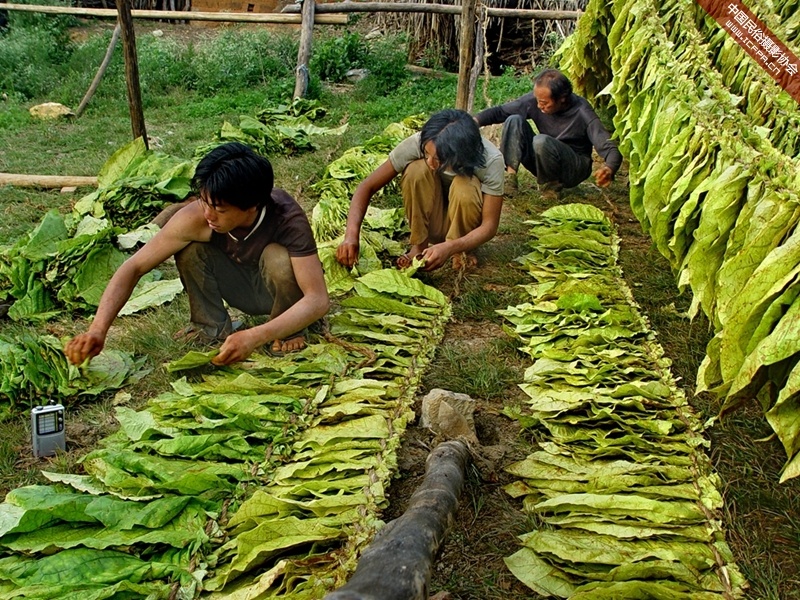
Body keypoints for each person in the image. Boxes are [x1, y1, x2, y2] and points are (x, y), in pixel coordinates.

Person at [65, 142, 329, 367]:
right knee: (190, 249)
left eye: (220, 210)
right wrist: (98, 330)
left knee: (278, 258)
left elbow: (317, 299)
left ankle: (289, 330)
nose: (208, 215)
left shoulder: (287, 218)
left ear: (252, 206)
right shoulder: (197, 218)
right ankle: (210, 327)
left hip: (278, 294)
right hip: (238, 286)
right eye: (205, 202)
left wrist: (254, 336)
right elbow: (133, 268)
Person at [336, 109, 505, 272]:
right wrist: (351, 235)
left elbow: (489, 226)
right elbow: (367, 186)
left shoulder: (490, 160)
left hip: (465, 226)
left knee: (465, 186)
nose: (430, 162)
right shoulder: (422, 141)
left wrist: (451, 247)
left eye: (438, 159)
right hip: (433, 219)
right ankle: (419, 246)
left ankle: (460, 251)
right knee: (416, 170)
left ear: (460, 156)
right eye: (426, 153)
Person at [474, 69, 622, 197]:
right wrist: (475, 121)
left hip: (574, 166)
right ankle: (509, 178)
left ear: (562, 99)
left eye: (544, 103)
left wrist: (609, 168)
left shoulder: (583, 112)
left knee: (541, 141)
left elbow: (609, 146)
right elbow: (501, 112)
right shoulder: (537, 101)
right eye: (538, 101)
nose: (539, 106)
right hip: (545, 159)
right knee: (514, 120)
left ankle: (551, 188)